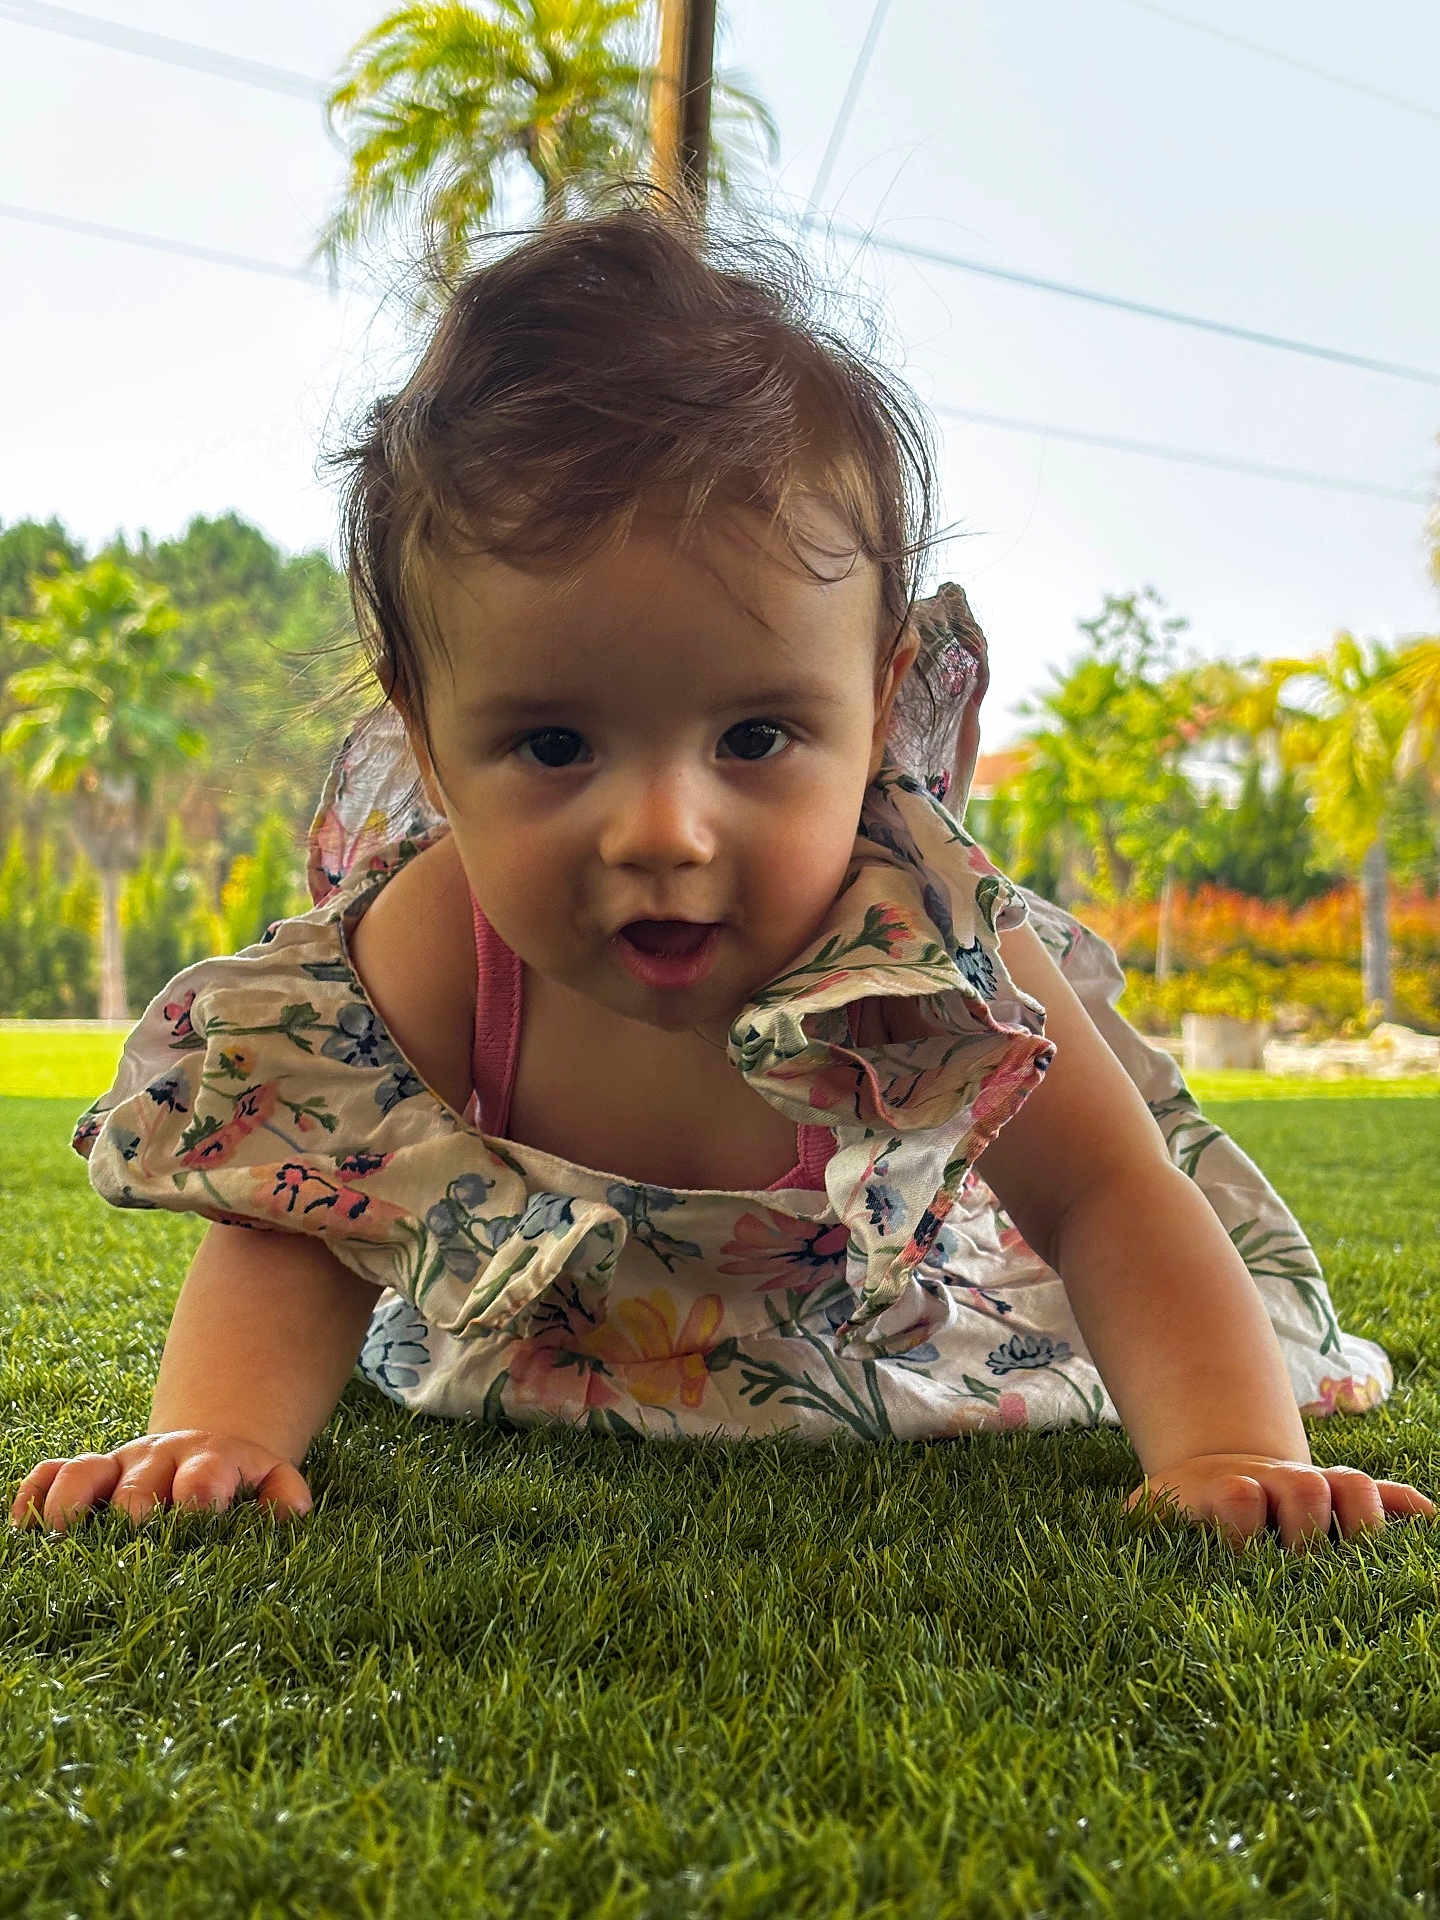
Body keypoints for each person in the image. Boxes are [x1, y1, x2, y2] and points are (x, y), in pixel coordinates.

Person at [11, 192, 1433, 1555]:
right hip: (542, 1353)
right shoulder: (438, 939)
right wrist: (215, 1433)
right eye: (554, 744)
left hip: (887, 1347)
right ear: (430, 749)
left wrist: (1224, 1448)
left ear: (878, 710)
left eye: (755, 737)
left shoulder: (924, 942)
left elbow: (1110, 1196)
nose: (664, 831)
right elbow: (307, 1206)